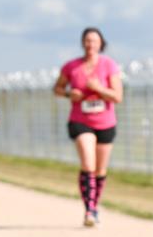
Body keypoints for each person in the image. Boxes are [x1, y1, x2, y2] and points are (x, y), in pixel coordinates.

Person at [52, 27, 122, 226]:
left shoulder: (109, 65)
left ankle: (94, 206)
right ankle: (89, 211)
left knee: (100, 170)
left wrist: (99, 89)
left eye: (94, 41)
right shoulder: (71, 66)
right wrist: (69, 94)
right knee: (88, 165)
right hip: (80, 121)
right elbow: (57, 88)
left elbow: (118, 96)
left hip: (105, 122)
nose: (90, 44)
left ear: (101, 44)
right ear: (83, 43)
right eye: (87, 40)